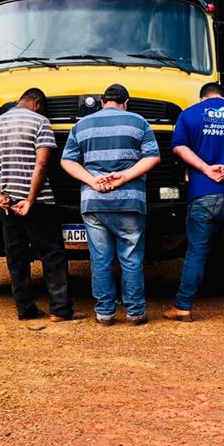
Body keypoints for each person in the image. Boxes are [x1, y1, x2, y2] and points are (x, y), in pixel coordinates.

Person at [59, 83, 160, 326]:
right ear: (126, 103)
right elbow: (153, 157)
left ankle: (105, 312)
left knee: (100, 259)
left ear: (103, 102)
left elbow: (67, 161)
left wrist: (92, 181)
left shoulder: (81, 125)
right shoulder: (139, 122)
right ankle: (135, 312)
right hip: (129, 200)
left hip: (94, 201)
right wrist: (124, 177)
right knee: (131, 257)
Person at [164, 82, 224, 321]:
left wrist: (206, 169)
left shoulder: (189, 115)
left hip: (203, 194)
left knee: (197, 253)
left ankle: (183, 307)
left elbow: (179, 148)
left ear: (202, 99)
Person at [0, 88, 77, 322]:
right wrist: (30, 199)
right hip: (38, 202)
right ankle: (60, 310)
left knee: (16, 257)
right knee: (52, 254)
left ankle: (26, 309)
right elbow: (41, 164)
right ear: (37, 104)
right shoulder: (40, 122)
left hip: (8, 204)